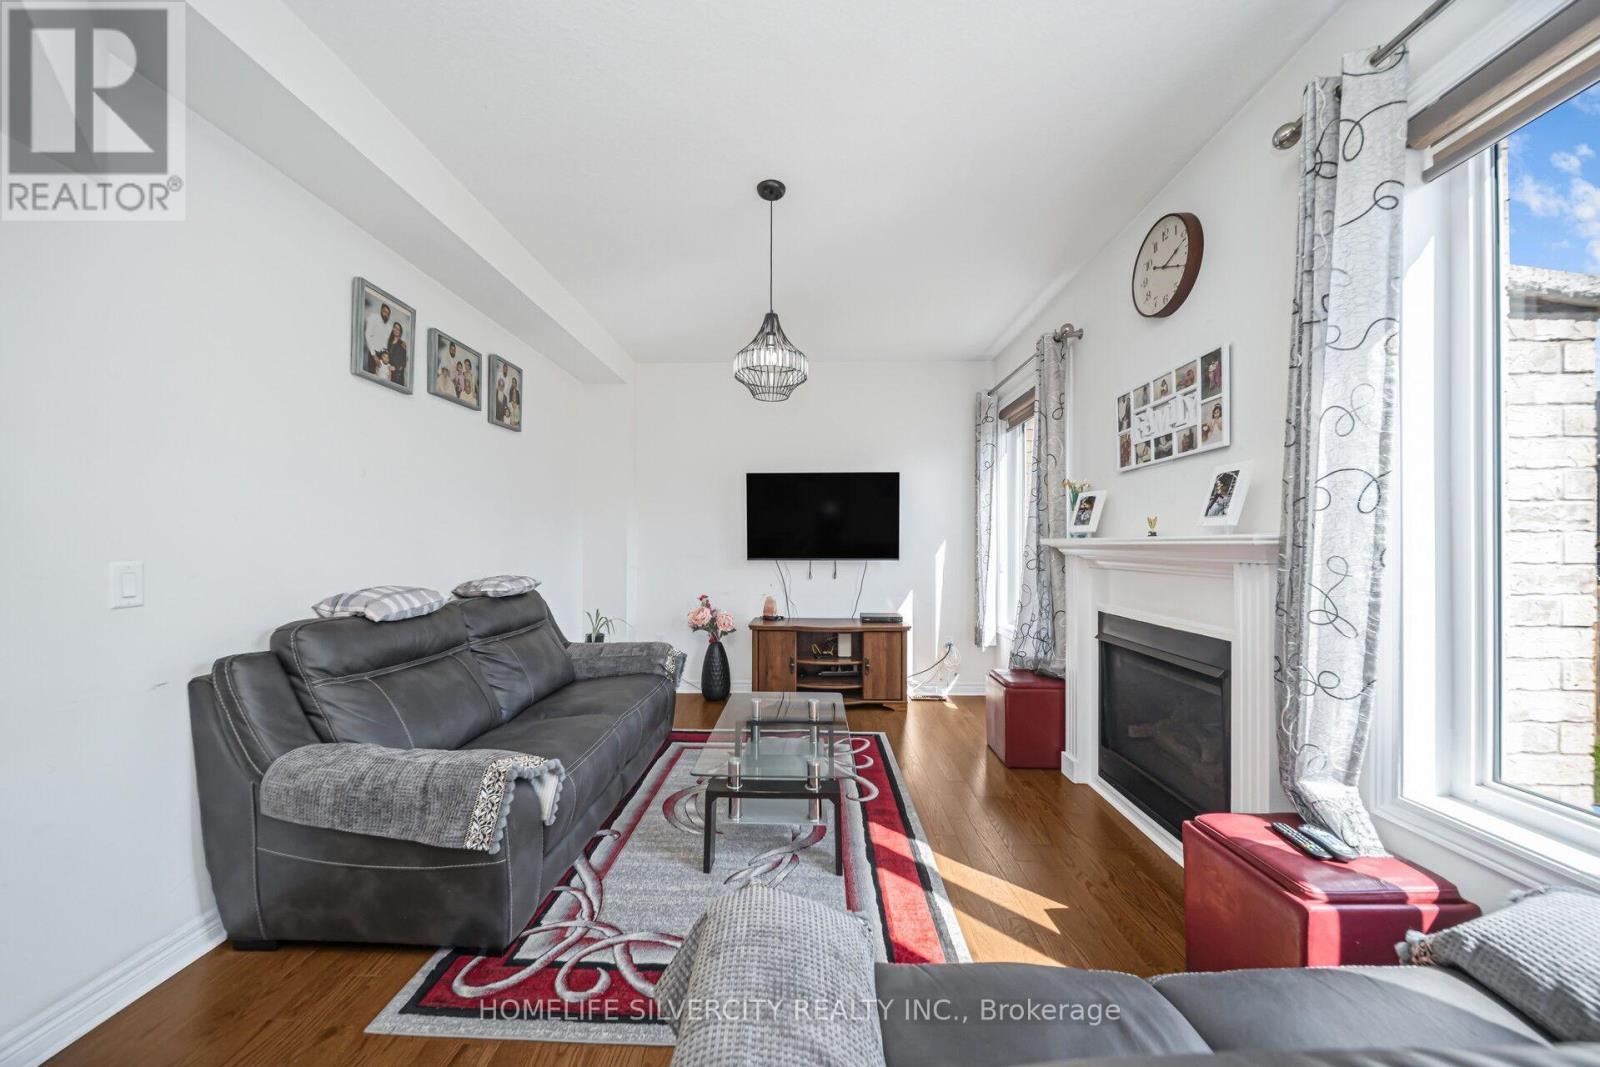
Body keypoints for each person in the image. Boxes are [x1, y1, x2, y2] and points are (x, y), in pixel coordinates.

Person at [364, 300, 392, 367]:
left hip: (383, 356)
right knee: (371, 372)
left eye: (388, 314)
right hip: (373, 353)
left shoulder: (389, 327)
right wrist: (374, 355)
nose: (386, 315)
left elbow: (389, 341)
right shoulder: (374, 317)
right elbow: (367, 335)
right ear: (381, 311)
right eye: (384, 312)